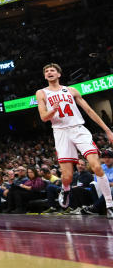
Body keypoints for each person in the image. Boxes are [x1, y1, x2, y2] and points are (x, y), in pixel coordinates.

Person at [37, 62, 113, 218]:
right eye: (47, 71)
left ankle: (110, 204)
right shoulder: (42, 93)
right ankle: (65, 190)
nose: (49, 72)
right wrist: (54, 110)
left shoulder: (71, 90)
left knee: (97, 167)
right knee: (68, 177)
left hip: (78, 129)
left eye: (52, 70)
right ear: (45, 76)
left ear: (59, 74)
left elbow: (89, 110)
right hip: (60, 133)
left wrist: (107, 130)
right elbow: (44, 117)